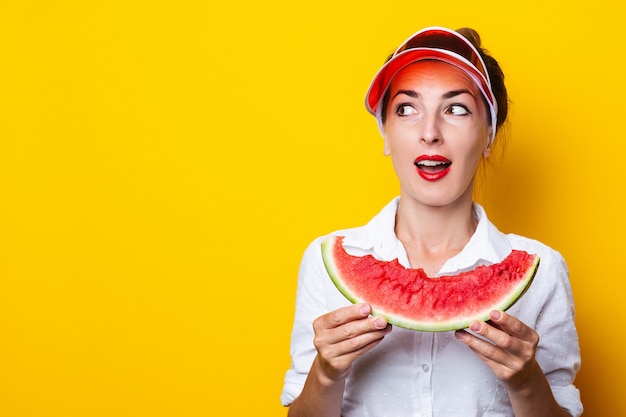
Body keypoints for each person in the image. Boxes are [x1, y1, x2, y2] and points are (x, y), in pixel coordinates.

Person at [280, 26, 582, 417]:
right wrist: (324, 375)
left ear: (488, 134)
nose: (429, 133)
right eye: (406, 108)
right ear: (385, 133)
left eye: (456, 109)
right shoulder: (325, 261)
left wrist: (527, 384)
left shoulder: (542, 270)